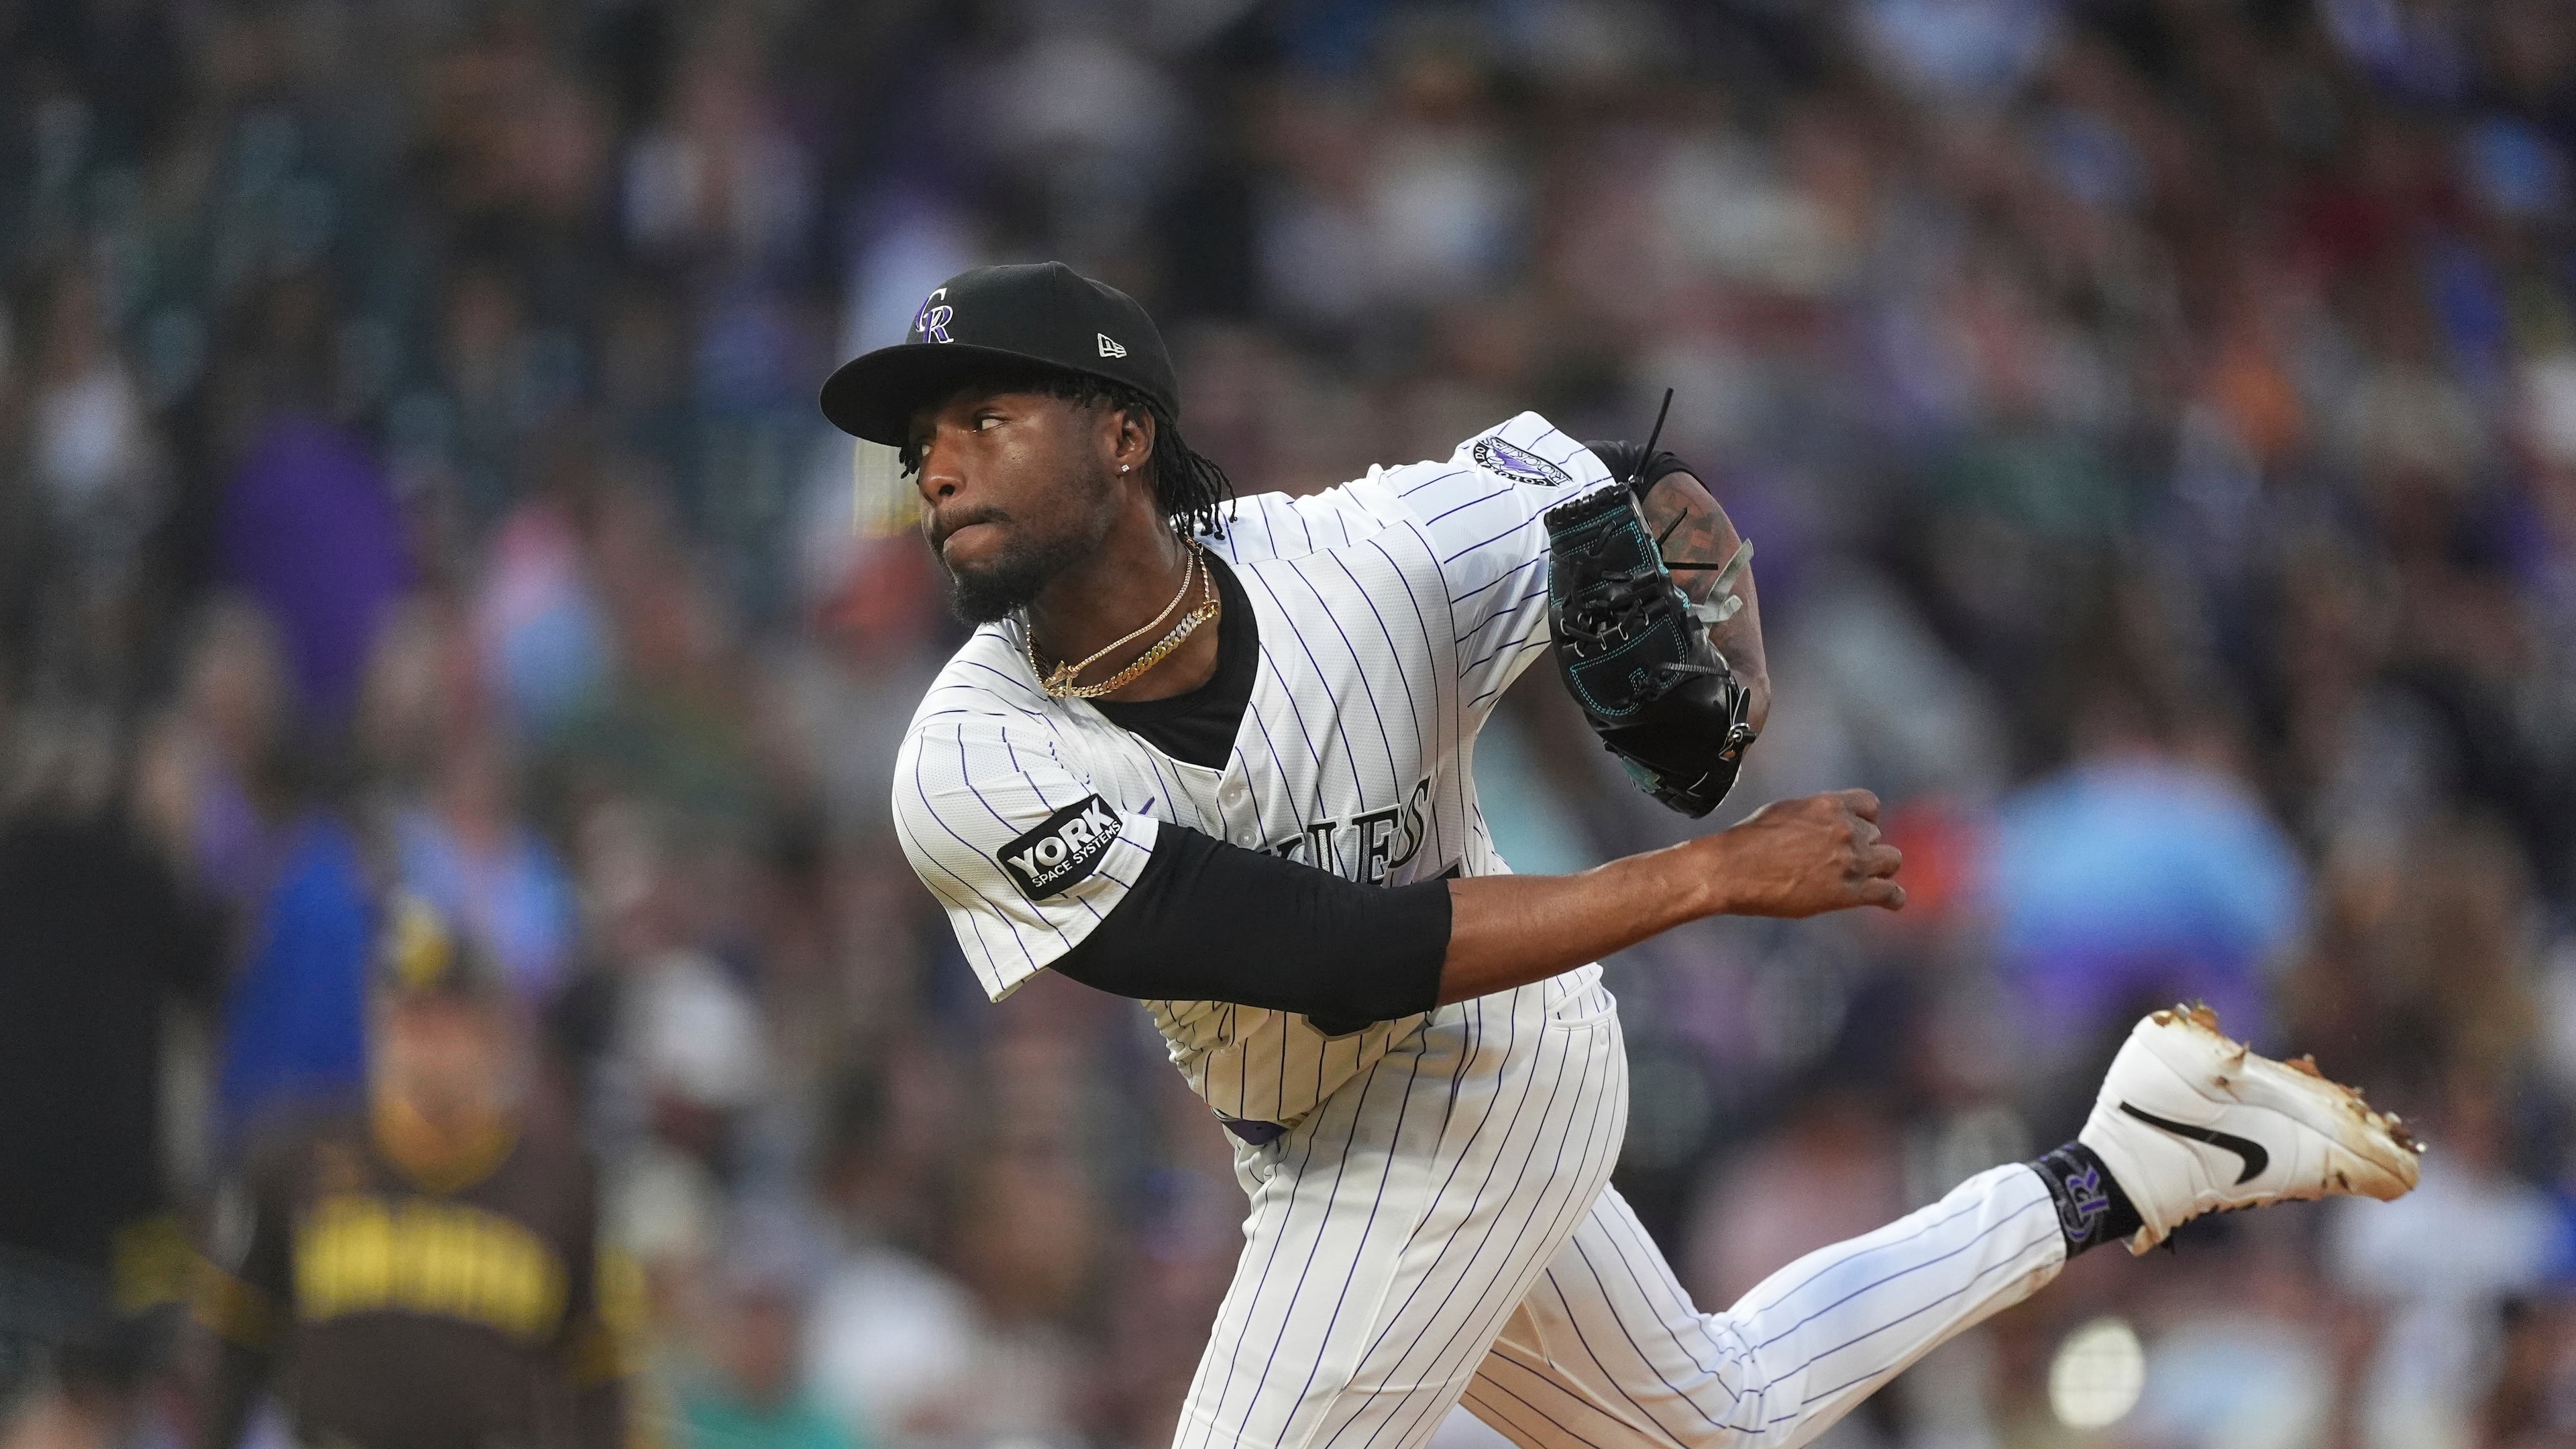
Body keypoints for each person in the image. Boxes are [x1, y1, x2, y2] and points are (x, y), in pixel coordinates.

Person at [824, 262, 2422, 1449]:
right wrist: (1708, 874)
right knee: (1710, 1419)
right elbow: (1315, 949)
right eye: (919, 438)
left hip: (1483, 1072)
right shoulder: (970, 762)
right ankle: (2132, 1156)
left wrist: (1717, 628)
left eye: (980, 415)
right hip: (1314, 1117)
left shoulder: (1367, 556)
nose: (936, 463)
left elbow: (1621, 489)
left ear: (1118, 433)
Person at [191, 896, 639, 1449]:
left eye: (445, 1024)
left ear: (493, 1036)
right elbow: (234, 1344)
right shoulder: (293, 1159)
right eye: (407, 1019)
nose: (422, 1048)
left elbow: (598, 1375)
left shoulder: (561, 1177)